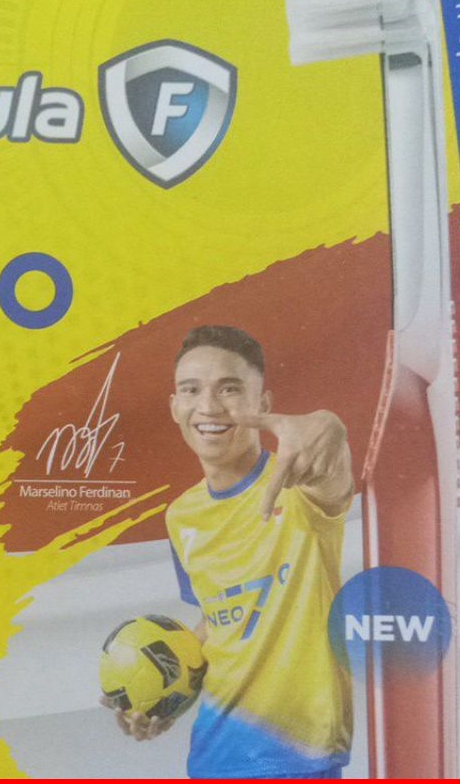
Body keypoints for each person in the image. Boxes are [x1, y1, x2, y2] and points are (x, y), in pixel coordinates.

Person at [106, 324, 354, 779]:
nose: (209, 406)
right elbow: (219, 618)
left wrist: (329, 424)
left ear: (264, 404)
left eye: (229, 389)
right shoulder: (181, 516)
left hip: (297, 757)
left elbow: (332, 468)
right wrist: (165, 691)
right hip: (212, 755)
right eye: (191, 390)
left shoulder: (301, 487)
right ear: (175, 407)